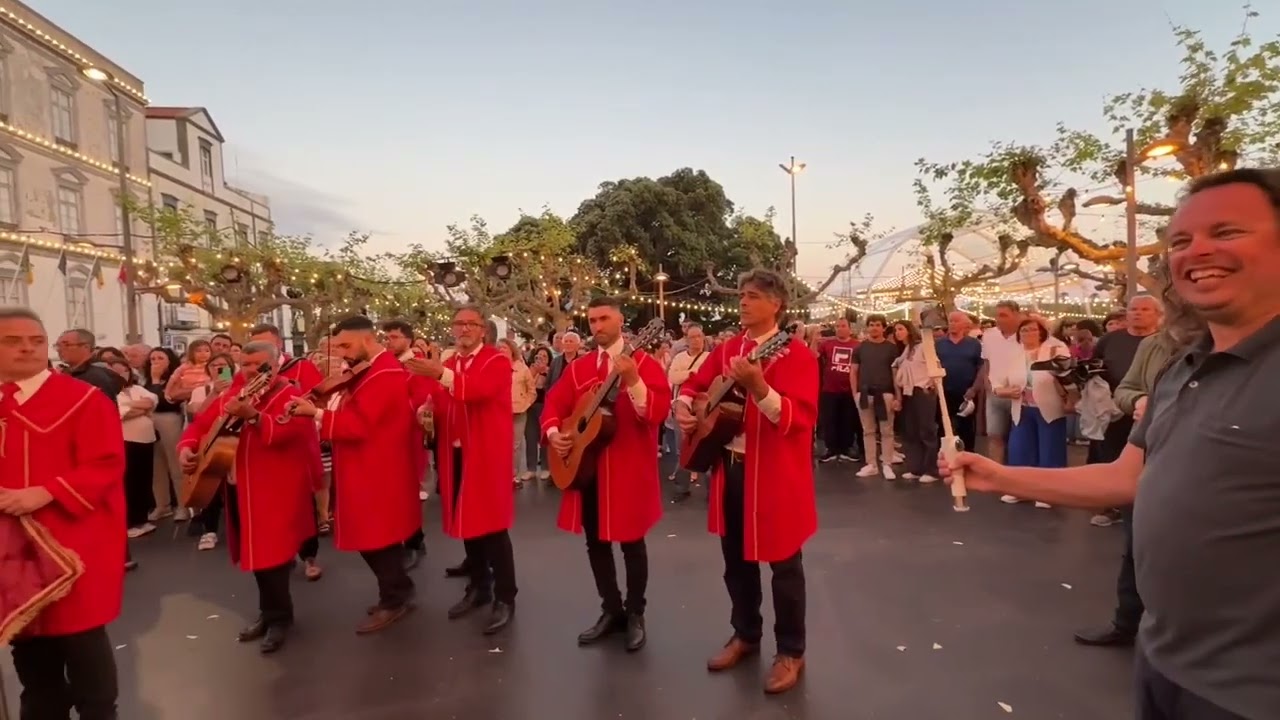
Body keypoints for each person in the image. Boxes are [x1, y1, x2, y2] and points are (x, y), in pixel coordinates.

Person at [936, 168, 1280, 720]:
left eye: (1229, 232)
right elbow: (1126, 478)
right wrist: (995, 474)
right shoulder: (1181, 369)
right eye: (1182, 241)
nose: (1198, 252)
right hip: (1166, 666)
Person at [675, 268, 818, 695]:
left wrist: (759, 387)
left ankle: (791, 651)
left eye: (753, 296)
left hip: (775, 473)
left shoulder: (794, 354)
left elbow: (800, 418)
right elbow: (697, 385)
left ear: (777, 305)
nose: (742, 301)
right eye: (741, 294)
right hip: (731, 468)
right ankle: (746, 634)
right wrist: (684, 405)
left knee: (784, 567)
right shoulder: (729, 348)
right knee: (735, 561)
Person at [0, 307, 127, 719]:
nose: (27, 348)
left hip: (73, 543)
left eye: (36, 340)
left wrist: (45, 492)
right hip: (14, 552)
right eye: (13, 341)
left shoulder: (83, 399)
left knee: (85, 649)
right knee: (33, 660)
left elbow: (106, 463)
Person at [542, 296, 671, 652]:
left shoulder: (643, 361)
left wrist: (633, 381)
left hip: (628, 469)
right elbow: (554, 404)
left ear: (620, 320)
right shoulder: (579, 367)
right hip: (587, 468)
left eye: (603, 319)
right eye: (592, 320)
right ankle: (611, 609)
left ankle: (635, 613)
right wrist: (557, 435)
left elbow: (656, 411)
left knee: (632, 544)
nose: (596, 326)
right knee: (595, 543)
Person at [178, 341, 319, 653]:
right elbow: (202, 424)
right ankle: (268, 614)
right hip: (237, 485)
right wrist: (187, 447)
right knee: (256, 556)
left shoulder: (289, 393)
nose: (251, 370)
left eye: (258, 365)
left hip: (274, 489)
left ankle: (280, 618)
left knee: (274, 557)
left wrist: (255, 416)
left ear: (274, 364)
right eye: (246, 365)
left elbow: (290, 432)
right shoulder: (232, 393)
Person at [287, 315, 421, 634]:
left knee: (376, 537)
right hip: (365, 464)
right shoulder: (369, 370)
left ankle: (395, 597)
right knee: (374, 537)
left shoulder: (384, 373)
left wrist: (316, 413)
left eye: (347, 345)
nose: (344, 353)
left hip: (376, 467)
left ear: (368, 339)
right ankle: (397, 591)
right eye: (339, 347)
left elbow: (360, 424)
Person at [411, 305, 518, 635]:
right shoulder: (450, 363)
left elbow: (479, 392)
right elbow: (443, 400)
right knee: (469, 523)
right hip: (455, 454)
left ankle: (505, 595)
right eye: (459, 324)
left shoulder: (497, 361)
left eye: (471, 324)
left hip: (485, 456)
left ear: (483, 329)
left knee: (493, 528)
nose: (464, 329)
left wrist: (438, 375)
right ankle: (480, 587)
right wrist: (427, 410)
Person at [380, 318, 432, 569]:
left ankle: (414, 542)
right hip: (387, 439)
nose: (389, 341)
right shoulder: (385, 365)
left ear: (408, 340)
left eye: (394, 337)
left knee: (409, 492)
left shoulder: (417, 366)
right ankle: (398, 537)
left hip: (409, 438)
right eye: (387, 337)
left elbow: (421, 401)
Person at [852, 314, 901, 479]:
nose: (874, 327)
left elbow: (895, 374)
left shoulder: (892, 349)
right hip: (865, 394)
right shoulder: (860, 348)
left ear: (883, 328)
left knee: (887, 431)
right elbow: (853, 372)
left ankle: (887, 463)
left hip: (886, 393)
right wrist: (855, 394)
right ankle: (871, 464)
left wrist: (897, 396)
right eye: (871, 324)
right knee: (868, 431)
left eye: (878, 325)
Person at [935, 311, 983, 454]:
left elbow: (981, 367)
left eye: (956, 321)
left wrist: (974, 388)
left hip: (967, 392)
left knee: (966, 427)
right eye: (950, 321)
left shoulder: (974, 344)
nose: (952, 324)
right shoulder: (939, 344)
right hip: (943, 391)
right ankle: (947, 456)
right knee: (944, 426)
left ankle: (967, 455)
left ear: (965, 325)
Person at [816, 315, 862, 463]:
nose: (840, 329)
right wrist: (813, 340)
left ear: (850, 328)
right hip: (829, 389)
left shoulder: (857, 345)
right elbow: (813, 356)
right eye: (837, 326)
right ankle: (831, 449)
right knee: (830, 420)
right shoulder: (827, 345)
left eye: (843, 326)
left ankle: (846, 448)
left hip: (849, 389)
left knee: (848, 420)